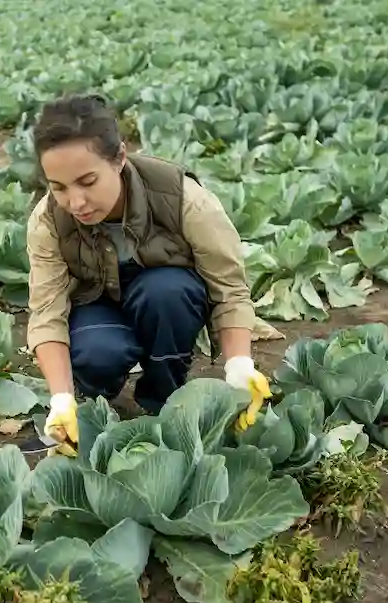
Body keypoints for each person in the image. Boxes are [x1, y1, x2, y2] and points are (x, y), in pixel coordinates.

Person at [24, 93, 271, 454]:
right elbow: (46, 313)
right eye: (58, 187)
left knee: (167, 292)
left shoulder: (184, 199)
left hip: (164, 300)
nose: (75, 202)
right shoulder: (48, 221)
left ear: (120, 158)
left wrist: (239, 366)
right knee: (98, 351)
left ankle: (164, 400)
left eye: (88, 181)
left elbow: (229, 289)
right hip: (97, 305)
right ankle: (91, 410)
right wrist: (60, 398)